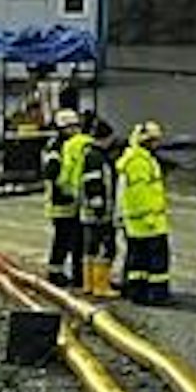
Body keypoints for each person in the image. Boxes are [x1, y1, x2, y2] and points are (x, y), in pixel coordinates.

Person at [116, 122, 173, 306]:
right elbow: (140, 193)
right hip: (148, 221)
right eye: (154, 140)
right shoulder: (139, 162)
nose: (157, 143)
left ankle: (137, 292)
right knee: (157, 262)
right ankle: (158, 295)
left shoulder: (136, 158)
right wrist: (149, 216)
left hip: (137, 222)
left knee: (138, 260)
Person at [42, 108, 86, 287]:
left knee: (78, 241)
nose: (75, 131)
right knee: (62, 240)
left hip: (75, 201)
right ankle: (55, 273)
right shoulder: (55, 147)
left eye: (76, 126)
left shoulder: (74, 145)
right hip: (60, 202)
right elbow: (50, 172)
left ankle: (79, 275)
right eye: (71, 127)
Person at [78, 118, 119, 299]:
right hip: (99, 212)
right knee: (105, 248)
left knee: (91, 247)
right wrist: (100, 207)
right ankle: (101, 285)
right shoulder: (96, 157)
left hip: (90, 211)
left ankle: (89, 284)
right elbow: (94, 184)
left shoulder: (90, 155)